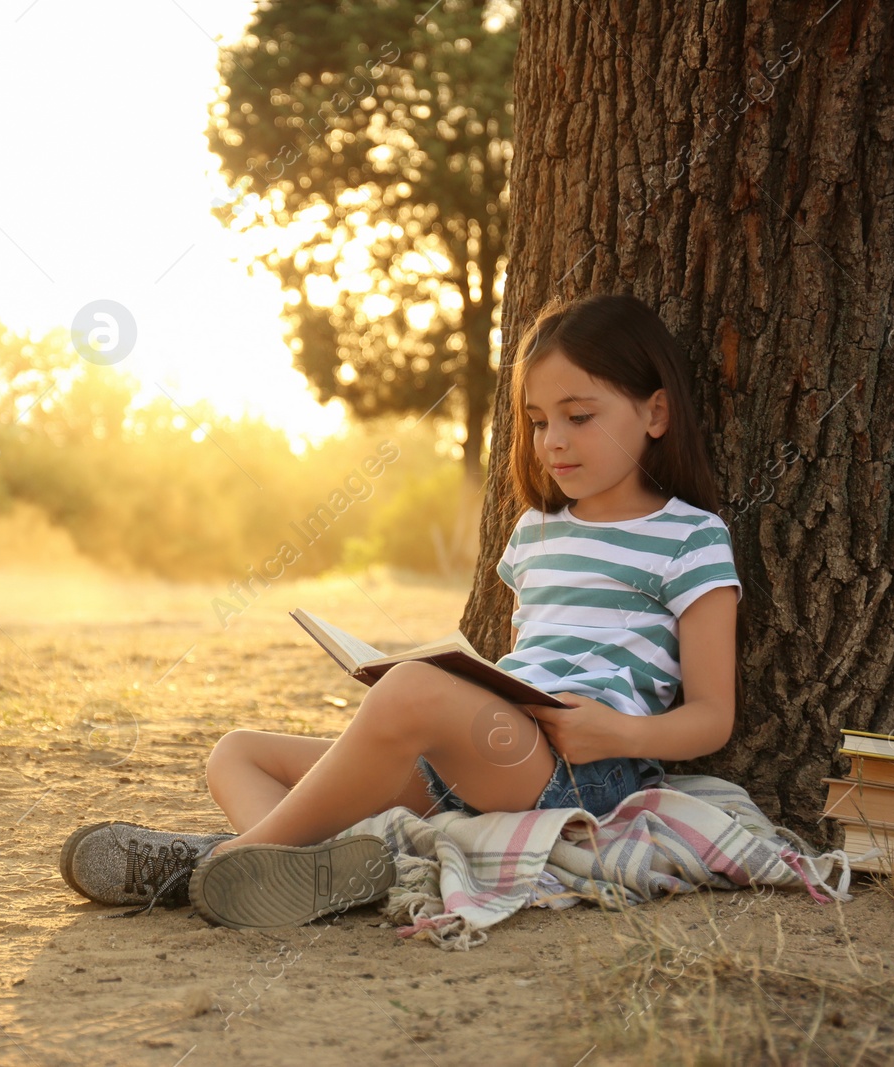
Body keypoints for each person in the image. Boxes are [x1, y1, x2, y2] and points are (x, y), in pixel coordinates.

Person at [60, 292, 743, 929]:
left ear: (655, 413)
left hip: (583, 769)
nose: (552, 441)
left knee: (413, 686)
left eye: (579, 416)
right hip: (484, 756)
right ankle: (297, 874)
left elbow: (713, 715)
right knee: (237, 752)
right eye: (537, 422)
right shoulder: (534, 531)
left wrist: (617, 733)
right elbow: (521, 657)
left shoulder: (691, 537)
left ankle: (208, 865)